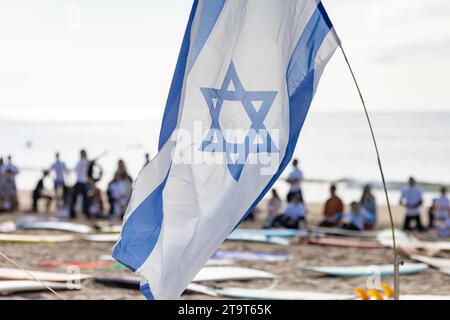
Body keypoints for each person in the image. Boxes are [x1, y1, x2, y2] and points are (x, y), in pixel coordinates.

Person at [69, 150, 90, 218]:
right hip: (82, 182)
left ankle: (72, 213)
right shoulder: (84, 161)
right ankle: (85, 213)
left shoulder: (79, 162)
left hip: (79, 181)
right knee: (85, 199)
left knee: (74, 199)